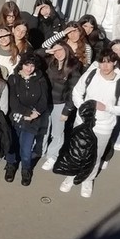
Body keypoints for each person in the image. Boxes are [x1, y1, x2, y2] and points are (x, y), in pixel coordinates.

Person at [63, 46, 120, 198]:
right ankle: (70, 176)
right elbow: (77, 92)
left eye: (108, 62)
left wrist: (107, 108)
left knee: (94, 156)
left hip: (103, 127)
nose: (105, 66)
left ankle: (88, 180)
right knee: (76, 152)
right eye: (102, 62)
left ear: (115, 62)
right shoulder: (90, 75)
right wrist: (82, 107)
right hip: (82, 122)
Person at [4, 53, 50, 186]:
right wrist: (27, 113)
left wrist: (36, 112)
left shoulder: (41, 78)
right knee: (12, 145)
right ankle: (11, 165)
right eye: (26, 65)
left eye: (32, 66)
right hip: (16, 117)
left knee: (26, 149)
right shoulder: (13, 78)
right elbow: (12, 101)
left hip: (33, 119)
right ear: (21, 65)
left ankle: (26, 169)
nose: (29, 69)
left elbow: (44, 99)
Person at [39, 43, 83, 172]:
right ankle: (41, 150)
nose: (58, 53)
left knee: (57, 132)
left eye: (60, 50)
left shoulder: (73, 66)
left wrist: (67, 110)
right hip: (46, 101)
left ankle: (52, 156)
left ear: (67, 50)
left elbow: (74, 91)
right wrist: (48, 51)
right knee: (45, 128)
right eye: (55, 50)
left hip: (60, 103)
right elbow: (36, 54)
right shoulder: (50, 62)